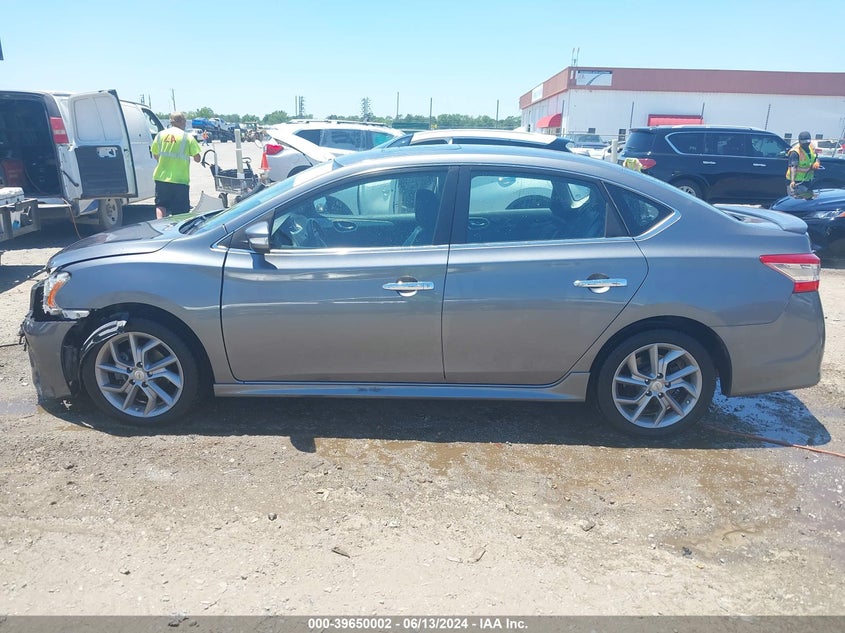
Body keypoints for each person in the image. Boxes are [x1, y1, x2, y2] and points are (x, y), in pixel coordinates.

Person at [150, 112, 201, 219]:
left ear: (171, 122)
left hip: (161, 177)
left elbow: (155, 154)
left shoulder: (160, 135)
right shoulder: (187, 137)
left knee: (161, 205)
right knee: (181, 211)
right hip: (180, 179)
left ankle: (160, 226)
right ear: (182, 122)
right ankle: (178, 232)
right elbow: (197, 158)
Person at [786, 131, 820, 196]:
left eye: (807, 142)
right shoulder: (795, 152)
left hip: (808, 179)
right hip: (797, 182)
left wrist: (817, 162)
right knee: (796, 201)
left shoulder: (811, 147)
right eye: (804, 143)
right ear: (799, 141)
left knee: (807, 200)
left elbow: (816, 157)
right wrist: (792, 181)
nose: (806, 144)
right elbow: (793, 167)